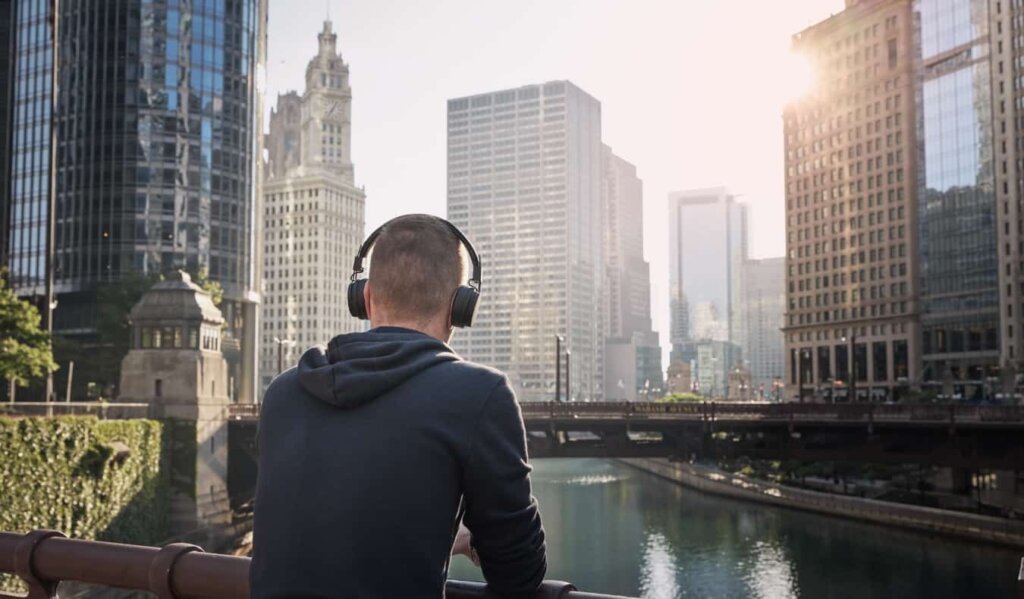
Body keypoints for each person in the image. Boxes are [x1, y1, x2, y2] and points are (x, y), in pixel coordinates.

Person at [250, 214, 547, 598]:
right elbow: (520, 574)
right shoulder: (481, 395)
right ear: (459, 308)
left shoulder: (284, 393)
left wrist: (439, 534)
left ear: (366, 298)